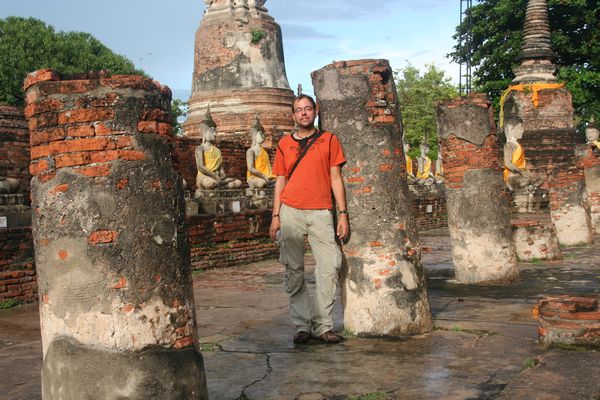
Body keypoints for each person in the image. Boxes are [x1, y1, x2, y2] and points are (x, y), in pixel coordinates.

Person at [269, 94, 349, 344]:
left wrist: (343, 214)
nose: (303, 113)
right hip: (290, 210)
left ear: (315, 111)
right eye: (298, 110)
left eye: (307, 108)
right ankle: (302, 325)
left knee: (329, 267)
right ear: (293, 115)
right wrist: (275, 216)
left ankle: (323, 325)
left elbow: (336, 178)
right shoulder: (284, 144)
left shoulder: (329, 140)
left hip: (321, 211)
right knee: (294, 270)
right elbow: (280, 180)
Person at [195, 108, 242, 190]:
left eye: (215, 131)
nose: (215, 134)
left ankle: (221, 185)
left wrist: (222, 174)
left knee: (238, 183)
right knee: (210, 183)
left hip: (217, 176)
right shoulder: (200, 148)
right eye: (212, 131)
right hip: (204, 176)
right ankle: (221, 184)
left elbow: (220, 168)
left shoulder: (217, 150)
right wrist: (215, 176)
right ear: (204, 133)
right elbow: (200, 166)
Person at [246, 115, 275, 188]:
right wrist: (263, 176)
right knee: (262, 183)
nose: (263, 136)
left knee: (283, 180)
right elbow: (250, 168)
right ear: (254, 135)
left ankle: (269, 183)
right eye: (261, 134)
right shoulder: (250, 151)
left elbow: (268, 169)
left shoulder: (264, 151)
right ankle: (268, 183)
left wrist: (268, 176)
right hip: (254, 178)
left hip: (266, 177)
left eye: (264, 134)